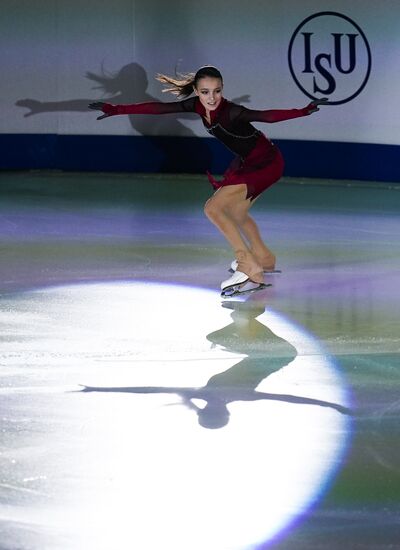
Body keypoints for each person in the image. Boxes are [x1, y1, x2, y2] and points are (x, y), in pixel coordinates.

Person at [89, 65, 327, 296]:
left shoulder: (232, 111)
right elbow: (158, 108)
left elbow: (267, 116)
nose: (212, 98)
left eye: (217, 91)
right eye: (205, 92)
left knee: (213, 208)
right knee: (236, 213)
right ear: (196, 91)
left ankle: (249, 267)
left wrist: (303, 110)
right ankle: (264, 258)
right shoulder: (196, 106)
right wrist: (116, 109)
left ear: (222, 89)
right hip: (249, 162)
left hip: (266, 163)